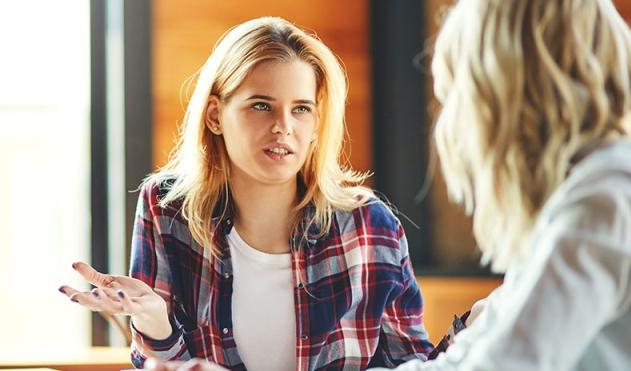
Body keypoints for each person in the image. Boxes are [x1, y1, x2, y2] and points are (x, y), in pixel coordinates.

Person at [58, 16, 433, 370]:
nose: (283, 127)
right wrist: (157, 325)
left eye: (301, 109)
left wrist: (479, 329)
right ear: (215, 116)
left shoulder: (370, 225)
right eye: (261, 105)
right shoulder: (167, 208)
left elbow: (413, 362)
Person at [374, 0, 631, 370]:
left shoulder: (607, 197)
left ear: (503, 94)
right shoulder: (582, 198)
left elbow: (502, 363)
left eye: (457, 95)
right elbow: (468, 357)